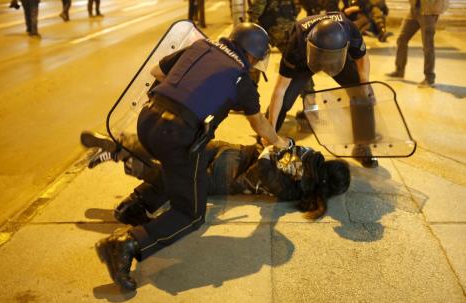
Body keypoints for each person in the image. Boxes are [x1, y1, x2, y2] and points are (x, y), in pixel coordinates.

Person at [95, 22, 292, 291]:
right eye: (257, 58)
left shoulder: (200, 46)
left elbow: (157, 71)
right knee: (190, 213)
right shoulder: (242, 80)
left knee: (182, 174)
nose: (255, 63)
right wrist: (280, 142)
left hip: (147, 121)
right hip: (179, 135)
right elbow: (259, 125)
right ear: (250, 54)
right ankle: (125, 244)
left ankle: (134, 204)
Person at [80, 131, 351, 225]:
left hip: (229, 149)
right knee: (176, 179)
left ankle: (122, 145)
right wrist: (269, 151)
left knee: (175, 153)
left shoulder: (310, 154)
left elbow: (283, 143)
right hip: (229, 175)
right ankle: (122, 157)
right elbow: (260, 172)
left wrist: (273, 144)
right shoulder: (300, 189)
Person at [267, 12, 378, 168]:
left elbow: (362, 57)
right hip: (307, 60)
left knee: (361, 93)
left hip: (338, 57)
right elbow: (280, 90)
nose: (324, 66)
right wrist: (270, 133)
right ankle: (266, 139)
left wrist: (364, 84)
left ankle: (362, 146)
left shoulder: (349, 29)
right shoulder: (296, 43)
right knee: (285, 100)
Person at [385, 0, 448, 88]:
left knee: (427, 45)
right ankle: (399, 70)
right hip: (415, 9)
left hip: (429, 10)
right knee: (402, 39)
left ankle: (429, 78)